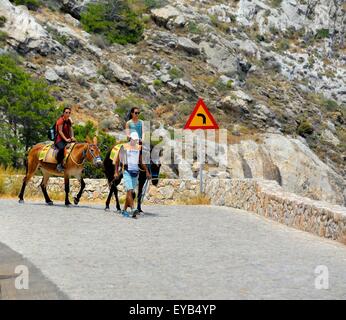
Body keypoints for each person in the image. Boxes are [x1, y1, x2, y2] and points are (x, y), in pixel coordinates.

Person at [114, 131, 150, 218]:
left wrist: (147, 171)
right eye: (134, 140)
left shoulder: (138, 148)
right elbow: (118, 160)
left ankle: (124, 210)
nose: (135, 141)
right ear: (130, 138)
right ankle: (133, 209)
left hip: (135, 173)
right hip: (127, 172)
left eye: (136, 140)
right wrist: (116, 171)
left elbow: (141, 161)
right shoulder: (124, 147)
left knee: (129, 193)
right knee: (130, 190)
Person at [55, 107, 76, 172]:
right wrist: (66, 139)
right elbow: (60, 131)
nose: (68, 114)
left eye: (69, 113)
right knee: (62, 148)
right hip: (59, 139)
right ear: (63, 113)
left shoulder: (68, 121)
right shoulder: (60, 120)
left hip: (68, 138)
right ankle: (59, 164)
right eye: (66, 112)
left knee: (77, 146)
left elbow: (71, 129)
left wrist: (72, 136)